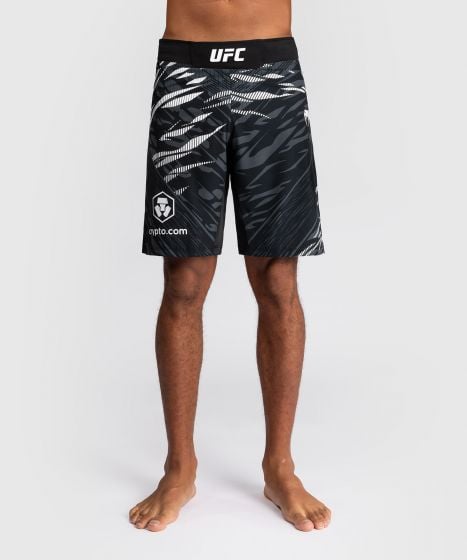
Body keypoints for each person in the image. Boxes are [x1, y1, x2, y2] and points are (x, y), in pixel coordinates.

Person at [130, 0, 331, 533]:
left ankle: (279, 467)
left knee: (278, 279)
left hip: (272, 76)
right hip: (186, 75)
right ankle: (179, 467)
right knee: (184, 280)